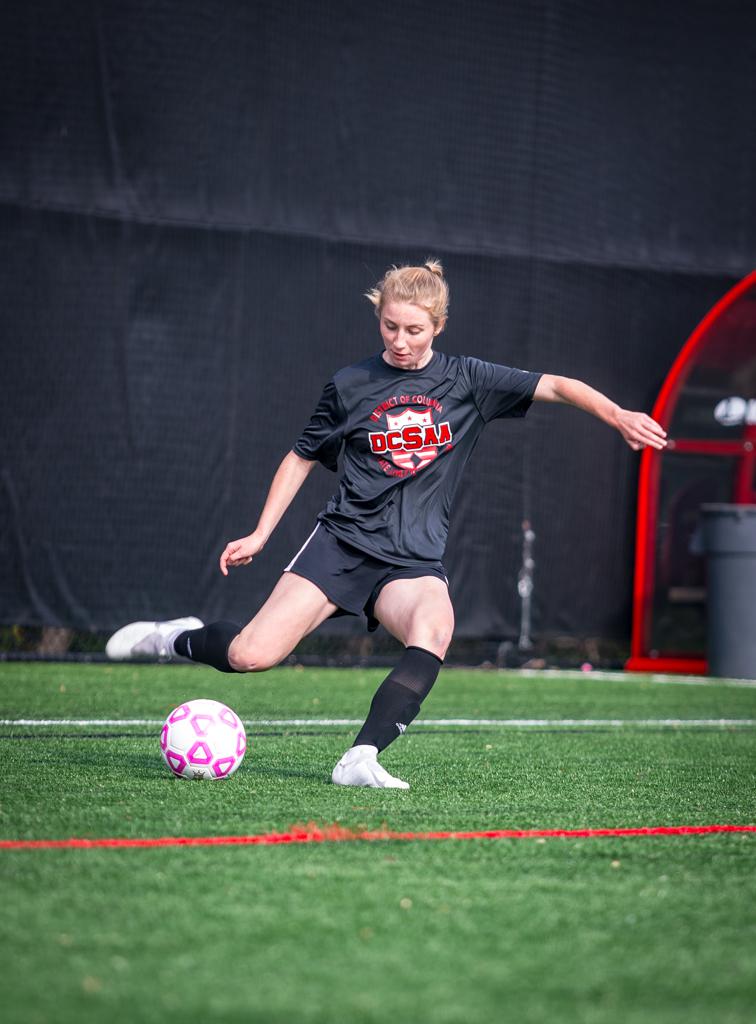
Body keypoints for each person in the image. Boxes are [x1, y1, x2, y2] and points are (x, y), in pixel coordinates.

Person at [106, 260, 667, 788]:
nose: (400, 341)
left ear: (439, 326)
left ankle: (361, 756)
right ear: (379, 317)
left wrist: (617, 415)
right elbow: (301, 456)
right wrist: (260, 534)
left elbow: (558, 385)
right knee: (250, 655)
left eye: (414, 330)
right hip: (341, 546)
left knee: (434, 629)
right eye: (390, 327)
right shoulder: (350, 384)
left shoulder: (469, 380)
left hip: (411, 562)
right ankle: (172, 637)